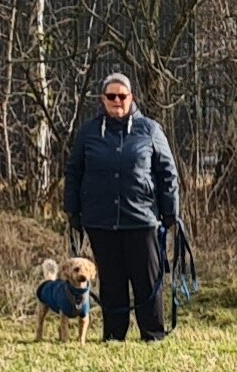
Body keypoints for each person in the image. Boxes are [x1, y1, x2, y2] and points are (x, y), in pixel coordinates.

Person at [64, 72, 180, 342]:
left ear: (131, 99)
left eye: (122, 96)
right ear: (102, 100)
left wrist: (170, 213)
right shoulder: (89, 132)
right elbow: (74, 172)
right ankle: (114, 336)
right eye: (111, 96)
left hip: (142, 219)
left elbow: (167, 173)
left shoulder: (150, 129)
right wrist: (73, 211)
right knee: (112, 283)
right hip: (101, 221)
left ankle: (152, 335)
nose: (117, 101)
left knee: (147, 281)